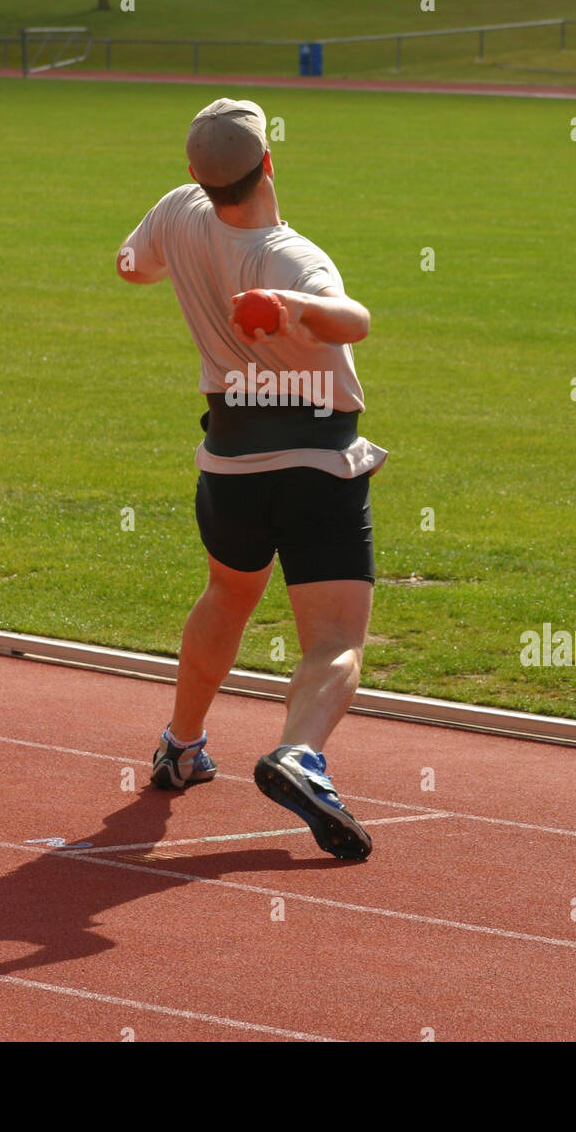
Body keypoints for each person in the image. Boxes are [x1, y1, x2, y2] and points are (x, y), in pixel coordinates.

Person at [116, 99, 387, 860]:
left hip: (230, 460)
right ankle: (300, 754)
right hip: (315, 464)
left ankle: (181, 746)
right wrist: (293, 305)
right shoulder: (292, 257)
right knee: (334, 640)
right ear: (268, 162)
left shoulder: (177, 211)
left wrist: (172, 260)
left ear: (197, 174)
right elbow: (354, 320)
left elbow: (131, 267)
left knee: (228, 595)